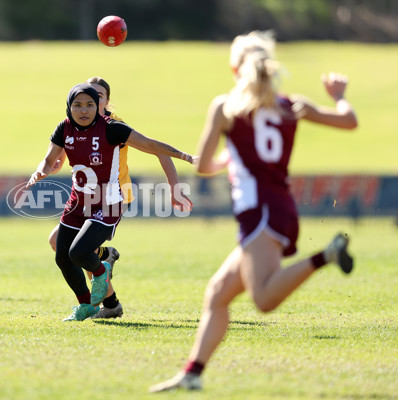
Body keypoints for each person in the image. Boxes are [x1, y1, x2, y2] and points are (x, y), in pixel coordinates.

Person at [149, 30, 358, 392]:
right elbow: (348, 121)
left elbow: (204, 165)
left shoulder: (225, 107)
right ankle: (192, 374)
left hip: (259, 212)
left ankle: (327, 255)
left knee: (262, 299)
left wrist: (227, 159)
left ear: (235, 68)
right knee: (217, 293)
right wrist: (339, 97)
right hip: (277, 208)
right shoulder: (294, 105)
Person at [27, 83, 195, 321]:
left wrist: (185, 157)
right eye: (77, 105)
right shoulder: (64, 129)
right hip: (78, 202)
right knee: (62, 256)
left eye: (90, 104)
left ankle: (101, 269)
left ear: (100, 104)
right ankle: (87, 305)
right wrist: (40, 171)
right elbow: (49, 159)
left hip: (109, 201)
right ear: (69, 106)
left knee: (80, 252)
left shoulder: (113, 127)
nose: (83, 110)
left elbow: (150, 144)